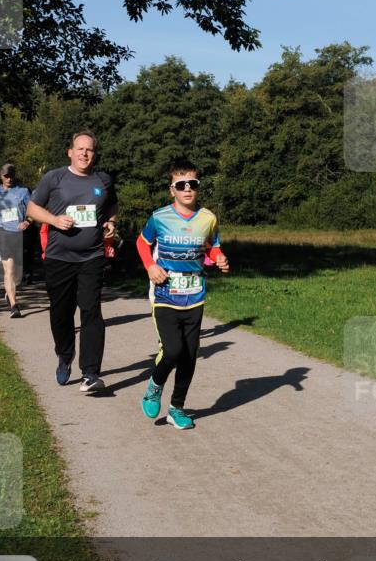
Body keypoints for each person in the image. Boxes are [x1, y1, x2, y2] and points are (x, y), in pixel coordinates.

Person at [136, 160, 229, 430]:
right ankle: (154, 387)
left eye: (193, 184)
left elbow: (212, 246)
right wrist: (150, 266)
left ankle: (176, 408)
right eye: (181, 185)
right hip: (165, 293)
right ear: (172, 189)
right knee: (173, 350)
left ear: (198, 187)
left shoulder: (208, 218)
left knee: (189, 355)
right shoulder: (159, 217)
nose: (187, 189)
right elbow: (142, 242)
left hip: (195, 294)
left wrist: (219, 257)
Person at [26, 131, 118, 394]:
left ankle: (90, 372)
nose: (84, 153)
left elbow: (112, 206)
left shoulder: (103, 180)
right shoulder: (54, 178)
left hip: (92, 256)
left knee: (91, 311)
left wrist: (111, 223)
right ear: (70, 152)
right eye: (80, 149)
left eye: (89, 149)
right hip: (59, 258)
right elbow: (32, 209)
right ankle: (65, 354)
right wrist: (54, 220)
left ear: (94, 154)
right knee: (61, 312)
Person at [0, 163, 32, 318]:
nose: (9, 179)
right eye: (6, 176)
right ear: (1, 175)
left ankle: (9, 292)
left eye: (11, 176)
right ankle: (14, 305)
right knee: (8, 270)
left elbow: (33, 210)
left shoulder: (23, 191)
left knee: (17, 274)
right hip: (3, 233)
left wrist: (27, 221)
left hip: (20, 234)